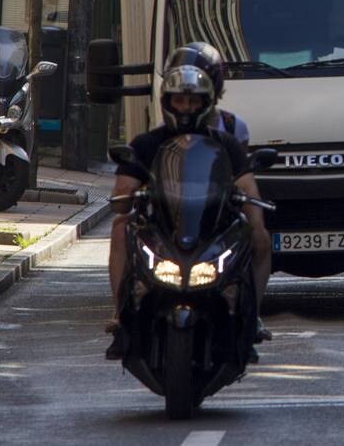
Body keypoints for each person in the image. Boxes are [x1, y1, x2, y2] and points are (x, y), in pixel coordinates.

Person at [106, 43, 270, 360]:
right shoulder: (147, 142)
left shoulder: (227, 142)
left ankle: (252, 313)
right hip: (161, 227)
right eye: (179, 100)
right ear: (167, 101)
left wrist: (252, 206)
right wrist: (125, 192)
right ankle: (120, 312)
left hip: (212, 225)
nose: (185, 107)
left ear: (207, 101)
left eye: (192, 100)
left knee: (259, 235)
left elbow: (248, 187)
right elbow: (121, 197)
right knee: (119, 226)